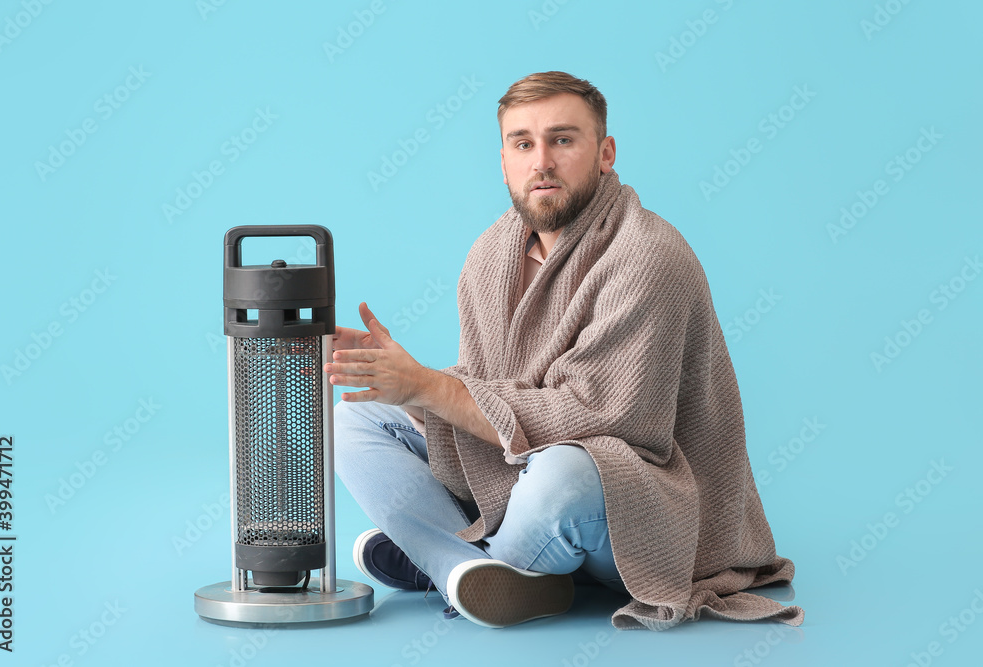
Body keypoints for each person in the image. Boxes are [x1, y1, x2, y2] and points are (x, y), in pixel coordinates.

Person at [328, 71, 802, 630]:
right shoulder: (490, 253)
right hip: (518, 473)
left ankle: (439, 558)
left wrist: (430, 388)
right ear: (503, 159)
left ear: (605, 153)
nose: (541, 162)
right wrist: (400, 382)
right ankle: (470, 572)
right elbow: (490, 389)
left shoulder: (648, 256)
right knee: (355, 414)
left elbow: (608, 419)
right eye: (522, 143)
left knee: (563, 473)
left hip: (635, 499)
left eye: (563, 139)